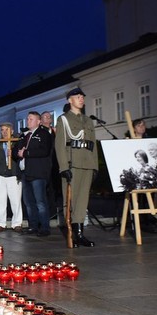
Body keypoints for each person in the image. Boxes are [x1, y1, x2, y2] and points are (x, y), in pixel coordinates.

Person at [55, 88, 97, 247]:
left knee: (82, 200)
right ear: (69, 100)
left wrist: (95, 166)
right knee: (70, 200)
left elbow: (93, 145)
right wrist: (63, 167)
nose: (81, 99)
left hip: (87, 163)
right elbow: (60, 145)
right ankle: (71, 232)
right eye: (77, 97)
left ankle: (80, 234)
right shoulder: (63, 120)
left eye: (82, 97)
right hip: (72, 163)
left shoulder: (88, 121)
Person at [15, 113, 53, 236]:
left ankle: (45, 227)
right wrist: (18, 153)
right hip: (26, 172)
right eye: (27, 119)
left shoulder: (44, 134)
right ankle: (33, 226)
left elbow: (44, 151)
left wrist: (26, 153)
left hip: (38, 173)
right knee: (28, 202)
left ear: (38, 122)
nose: (28, 121)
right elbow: (16, 150)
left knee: (40, 201)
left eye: (31, 119)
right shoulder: (24, 135)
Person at [0, 122, 22, 233]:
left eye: (6, 130)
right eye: (2, 130)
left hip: (13, 176)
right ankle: (0, 223)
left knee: (16, 201)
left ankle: (17, 223)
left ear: (12, 131)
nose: (4, 132)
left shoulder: (17, 143)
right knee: (0, 201)